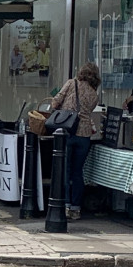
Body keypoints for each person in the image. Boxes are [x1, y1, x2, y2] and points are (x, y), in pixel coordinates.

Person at [52, 63, 101, 220]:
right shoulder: (94, 94)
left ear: (81, 72)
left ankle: (65, 205)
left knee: (64, 170)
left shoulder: (71, 83)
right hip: (84, 134)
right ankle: (76, 209)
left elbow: (55, 102)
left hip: (67, 130)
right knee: (77, 171)